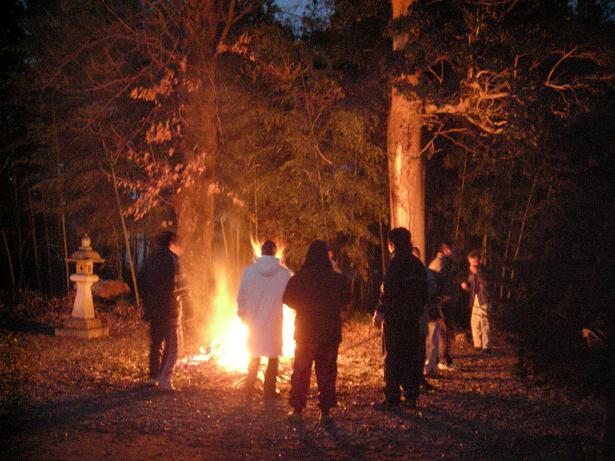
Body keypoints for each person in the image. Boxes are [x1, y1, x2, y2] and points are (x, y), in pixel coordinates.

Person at [283, 240, 350, 425]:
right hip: (329, 333)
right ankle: (325, 412)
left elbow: (287, 298)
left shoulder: (300, 277)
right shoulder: (335, 278)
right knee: (327, 372)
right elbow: (346, 297)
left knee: (301, 371)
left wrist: (303, 306)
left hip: (305, 332)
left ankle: (297, 410)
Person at [373, 228, 428, 408]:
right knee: (411, 356)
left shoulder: (395, 264)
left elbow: (388, 291)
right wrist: (418, 310)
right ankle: (411, 395)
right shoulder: (417, 264)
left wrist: (380, 312)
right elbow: (424, 292)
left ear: (392, 243)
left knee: (394, 357)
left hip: (396, 319)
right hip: (412, 318)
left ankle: (393, 395)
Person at [237, 240, 291, 400]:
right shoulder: (284, 273)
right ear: (275, 253)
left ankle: (248, 389)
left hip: (254, 319)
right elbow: (290, 295)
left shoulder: (249, 272)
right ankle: (269, 391)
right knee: (273, 356)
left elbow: (242, 293)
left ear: (261, 252)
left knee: (254, 353)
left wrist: (242, 313)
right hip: (274, 319)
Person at [140, 230, 182, 391]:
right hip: (168, 308)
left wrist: (147, 304)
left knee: (156, 342)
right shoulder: (173, 260)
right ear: (171, 242)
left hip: (153, 308)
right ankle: (164, 379)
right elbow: (176, 286)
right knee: (172, 345)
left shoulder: (150, 259)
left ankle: (153, 376)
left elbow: (142, 281)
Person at [427, 242, 457, 371]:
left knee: (444, 331)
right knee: (443, 331)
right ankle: (442, 359)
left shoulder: (443, 263)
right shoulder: (440, 264)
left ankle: (443, 358)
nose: (456, 254)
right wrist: (443, 297)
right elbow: (435, 285)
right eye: (454, 250)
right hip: (441, 302)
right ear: (446, 250)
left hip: (442, 301)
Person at [461, 250, 493, 352]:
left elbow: (487, 283)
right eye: (470, 262)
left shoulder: (486, 270)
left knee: (484, 322)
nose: (471, 265)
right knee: (474, 322)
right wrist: (466, 287)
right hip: (475, 299)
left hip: (484, 298)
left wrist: (477, 273)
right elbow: (472, 286)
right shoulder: (471, 273)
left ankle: (486, 346)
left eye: (473, 262)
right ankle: (477, 344)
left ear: (479, 261)